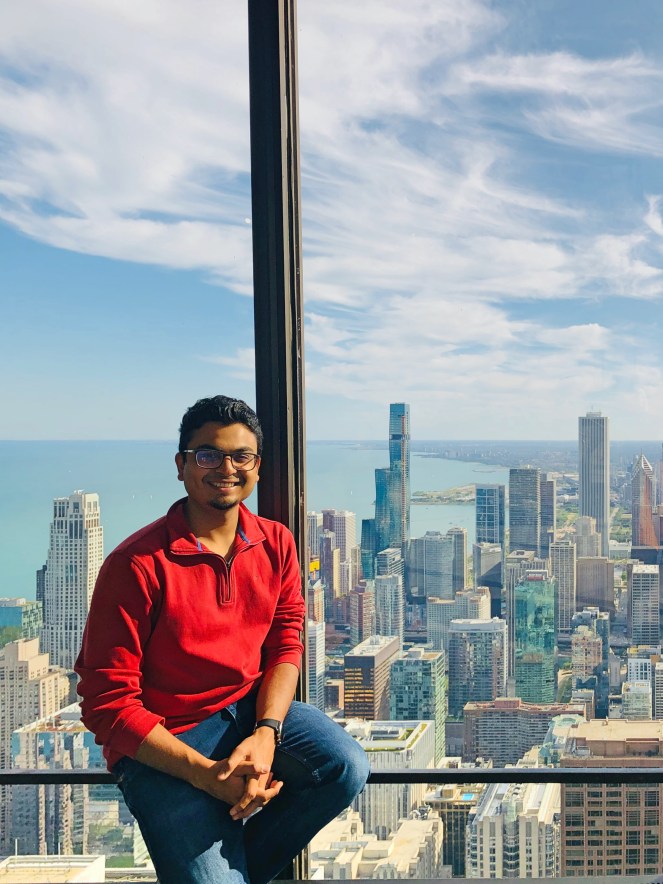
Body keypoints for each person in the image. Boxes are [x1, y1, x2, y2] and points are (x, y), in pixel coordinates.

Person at [75, 395, 369, 884]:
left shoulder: (276, 542)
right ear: (181, 465)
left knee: (346, 766)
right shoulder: (136, 564)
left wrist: (266, 732)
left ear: (257, 467)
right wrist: (204, 775)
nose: (226, 468)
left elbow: (286, 642)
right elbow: (106, 703)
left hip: (247, 711)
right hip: (164, 739)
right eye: (208, 455)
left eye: (241, 456)